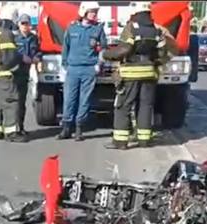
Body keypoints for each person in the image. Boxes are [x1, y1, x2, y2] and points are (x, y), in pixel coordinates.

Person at [101, 2, 172, 150]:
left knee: (123, 106)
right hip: (149, 74)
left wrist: (107, 54)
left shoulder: (131, 27)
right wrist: (153, 62)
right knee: (145, 106)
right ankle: (144, 141)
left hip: (130, 74)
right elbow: (163, 53)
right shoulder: (156, 29)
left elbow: (125, 49)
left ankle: (120, 142)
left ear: (135, 12)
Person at [57, 2, 107, 141]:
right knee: (69, 99)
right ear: (84, 12)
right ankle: (66, 128)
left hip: (89, 69)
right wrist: (65, 64)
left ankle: (79, 129)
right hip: (73, 68)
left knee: (84, 100)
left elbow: (103, 48)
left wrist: (99, 64)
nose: (94, 14)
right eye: (92, 11)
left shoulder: (97, 29)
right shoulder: (72, 28)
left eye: (96, 12)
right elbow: (65, 47)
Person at [0, 5, 26, 143]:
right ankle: (12, 133)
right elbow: (9, 58)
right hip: (2, 75)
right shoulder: (6, 34)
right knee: (11, 103)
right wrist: (21, 58)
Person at [13, 13, 39, 137]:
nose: (25, 26)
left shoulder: (33, 38)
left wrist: (37, 58)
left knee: (22, 102)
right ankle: (13, 128)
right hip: (14, 73)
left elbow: (38, 51)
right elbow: (10, 53)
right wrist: (21, 57)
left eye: (27, 23)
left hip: (25, 73)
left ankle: (21, 127)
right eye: (22, 23)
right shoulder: (14, 38)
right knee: (14, 102)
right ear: (18, 24)